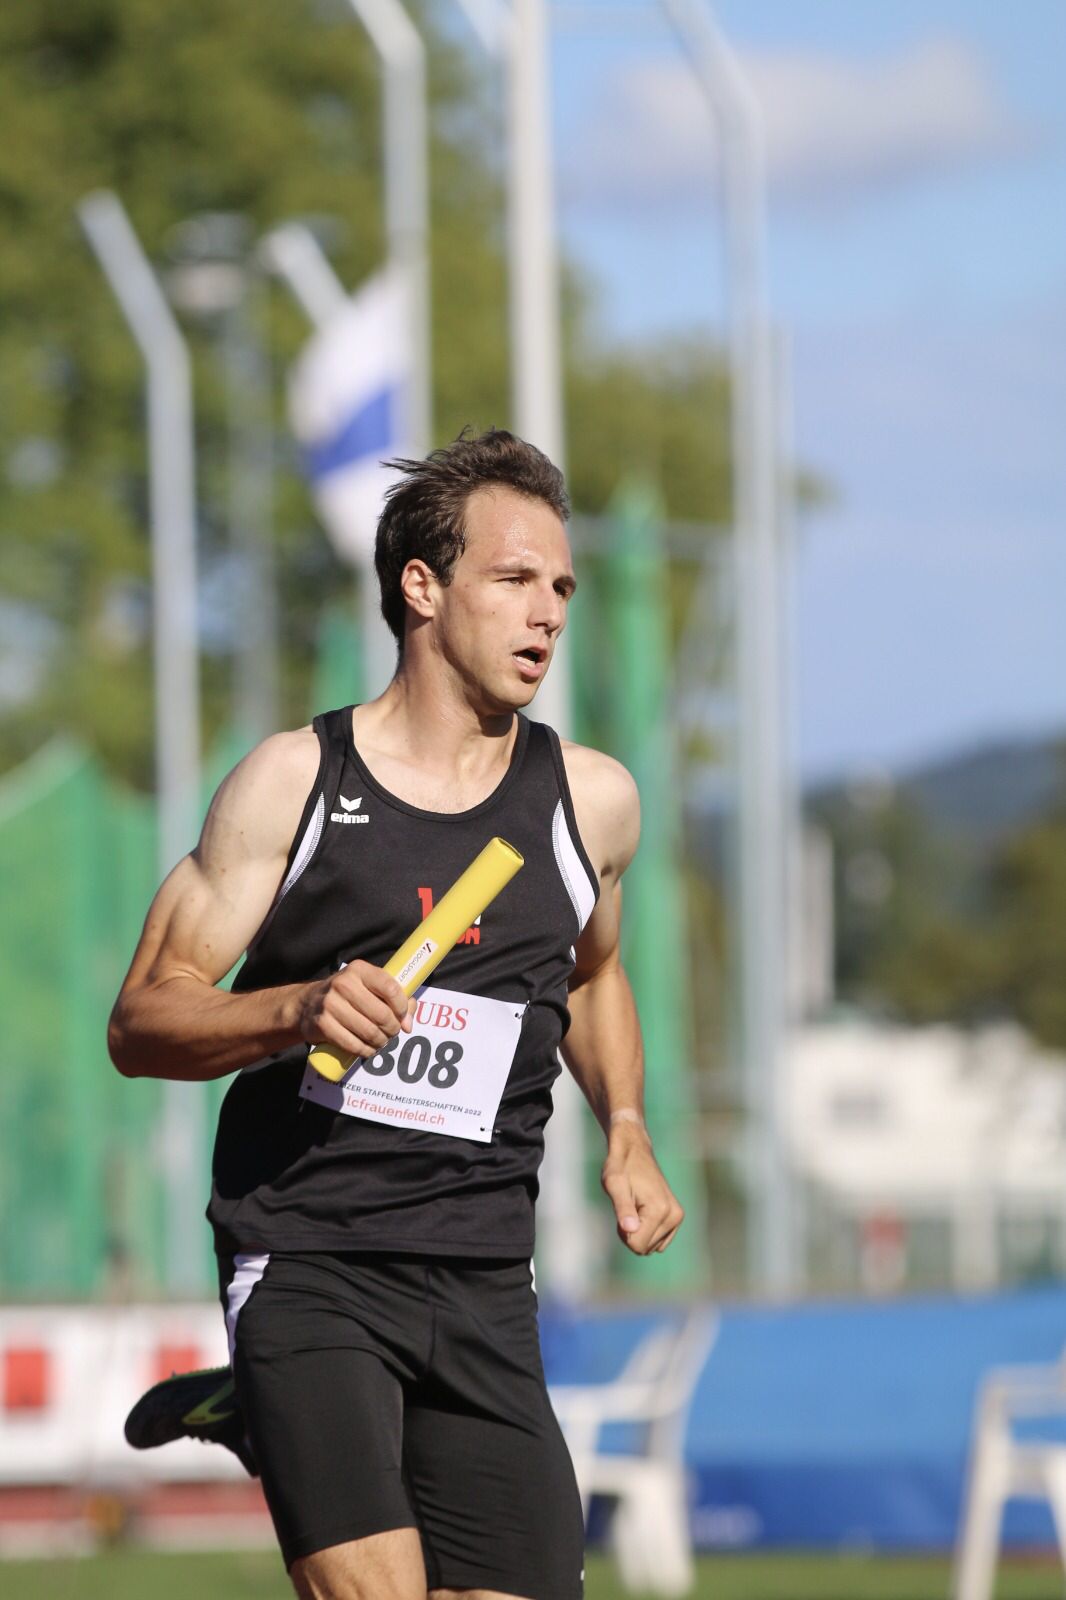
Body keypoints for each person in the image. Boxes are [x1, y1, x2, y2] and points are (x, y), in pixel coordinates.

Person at [110, 428, 684, 1600]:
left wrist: (625, 1123)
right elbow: (143, 1021)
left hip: (483, 1270)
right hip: (310, 1251)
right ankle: (283, 1390)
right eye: (513, 579)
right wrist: (299, 1007)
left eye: (562, 586)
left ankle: (260, 1410)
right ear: (421, 587)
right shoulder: (294, 783)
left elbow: (590, 974)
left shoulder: (590, 803)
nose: (548, 612)